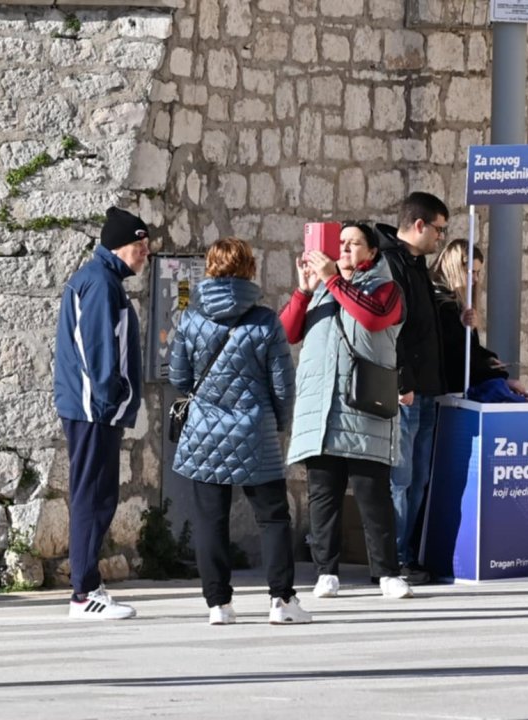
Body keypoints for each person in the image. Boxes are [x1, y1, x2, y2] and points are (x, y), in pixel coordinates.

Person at [170, 238, 309, 626]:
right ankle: (282, 601)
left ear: (210, 268)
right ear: (250, 268)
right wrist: (279, 423)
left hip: (204, 432)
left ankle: (218, 605)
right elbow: (283, 385)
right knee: (273, 518)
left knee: (210, 520)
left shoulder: (191, 318)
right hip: (255, 429)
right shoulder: (265, 320)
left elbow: (180, 377)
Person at [281, 222, 414, 600]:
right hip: (321, 409)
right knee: (323, 495)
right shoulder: (323, 288)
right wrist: (304, 291)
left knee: (373, 495)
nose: (344, 250)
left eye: (354, 244)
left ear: (371, 252)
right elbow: (287, 331)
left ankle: (387, 572)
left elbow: (372, 317)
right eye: (340, 243)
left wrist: (333, 280)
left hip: (364, 409)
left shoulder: (386, 288)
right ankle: (326, 572)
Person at [53, 206, 150, 620]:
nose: (146, 253)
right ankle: (84, 593)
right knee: (93, 497)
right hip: (94, 408)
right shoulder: (99, 283)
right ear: (119, 246)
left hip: (95, 407)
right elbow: (97, 350)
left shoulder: (103, 280)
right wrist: (113, 397)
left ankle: (88, 586)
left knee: (97, 495)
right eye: (140, 245)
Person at [372, 192, 449, 584]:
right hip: (406, 390)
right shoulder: (391, 264)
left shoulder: (417, 265)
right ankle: (392, 560)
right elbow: (391, 328)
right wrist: (402, 379)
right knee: (400, 480)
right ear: (419, 225)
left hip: (428, 387)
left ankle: (407, 555)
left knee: (418, 479)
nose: (441, 237)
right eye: (438, 229)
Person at [429, 239, 528, 397]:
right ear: (455, 270)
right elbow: (457, 355)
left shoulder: (457, 303)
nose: (475, 279)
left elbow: (470, 348)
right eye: (470, 272)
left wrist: (487, 359)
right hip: (449, 391)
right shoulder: (442, 306)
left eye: (478, 273)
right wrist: (500, 377)